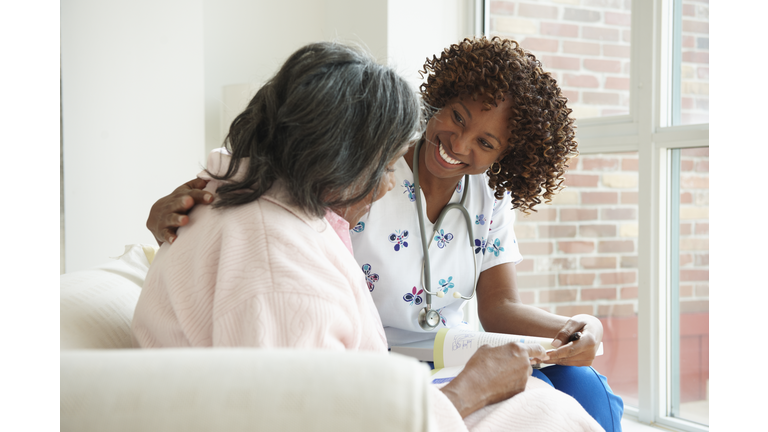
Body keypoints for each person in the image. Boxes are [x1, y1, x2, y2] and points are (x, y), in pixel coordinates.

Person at [145, 37, 622, 430]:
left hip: (455, 352)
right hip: (391, 361)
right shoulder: (358, 174)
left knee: (586, 388)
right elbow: (261, 200)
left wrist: (573, 328)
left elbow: (498, 305)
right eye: (456, 117)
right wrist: (177, 208)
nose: (458, 144)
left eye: (485, 142)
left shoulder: (484, 196)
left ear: (504, 158)